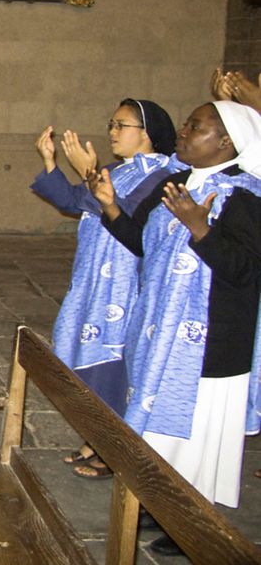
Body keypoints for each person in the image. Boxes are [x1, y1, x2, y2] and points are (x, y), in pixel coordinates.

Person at [89, 101, 261, 556]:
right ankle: (155, 502)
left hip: (208, 343)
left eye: (195, 127)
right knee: (158, 430)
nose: (183, 133)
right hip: (157, 331)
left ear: (225, 142)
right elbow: (140, 242)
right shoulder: (175, 182)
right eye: (186, 125)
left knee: (196, 434)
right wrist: (109, 207)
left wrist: (201, 230)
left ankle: (192, 519)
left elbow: (245, 272)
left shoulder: (247, 197)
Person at [30, 99, 176, 479]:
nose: (112, 131)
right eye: (111, 123)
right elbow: (74, 202)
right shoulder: (117, 169)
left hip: (126, 281)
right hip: (95, 277)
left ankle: (116, 449)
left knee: (114, 363)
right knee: (84, 354)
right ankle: (98, 436)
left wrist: (90, 172)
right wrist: (51, 163)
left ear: (147, 133)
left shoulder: (165, 176)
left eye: (121, 125)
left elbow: (126, 214)